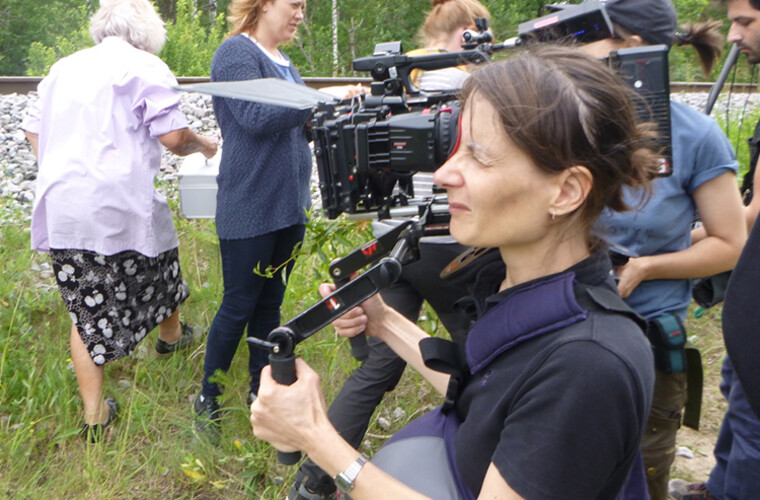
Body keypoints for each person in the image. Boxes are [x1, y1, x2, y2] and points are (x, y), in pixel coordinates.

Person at [250, 45, 659, 499]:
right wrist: (384, 322)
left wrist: (316, 438)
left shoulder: (589, 364)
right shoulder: (525, 287)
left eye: (479, 157)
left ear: (565, 192)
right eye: (454, 149)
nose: (444, 173)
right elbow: (485, 394)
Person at [288, 1, 488, 497]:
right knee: (482, 359)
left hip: (392, 243)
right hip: (449, 242)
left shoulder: (397, 84)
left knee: (378, 365)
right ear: (465, 33)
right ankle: (489, 456)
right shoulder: (469, 87)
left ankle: (313, 481)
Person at [573, 0, 748, 498]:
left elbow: (730, 244)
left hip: (648, 341)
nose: (577, 50)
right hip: (567, 335)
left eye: (591, 36)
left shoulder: (696, 138)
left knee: (643, 474)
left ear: (631, 47)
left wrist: (646, 267)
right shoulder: (569, 126)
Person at [21, 0, 218, 440]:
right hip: (119, 201)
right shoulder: (146, 66)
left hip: (67, 204)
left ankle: (104, 408)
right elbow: (173, 137)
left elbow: (33, 130)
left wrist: (57, 168)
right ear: (147, 34)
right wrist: (204, 144)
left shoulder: (62, 67)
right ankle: (160, 345)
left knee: (86, 304)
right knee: (158, 255)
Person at [193, 0, 360, 434]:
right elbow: (255, 116)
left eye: (304, 6)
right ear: (264, 4)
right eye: (295, 4)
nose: (301, 13)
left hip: (289, 207)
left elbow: (297, 124)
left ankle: (258, 389)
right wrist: (318, 99)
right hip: (249, 204)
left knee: (270, 303)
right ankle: (207, 398)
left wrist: (330, 112)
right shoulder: (235, 54)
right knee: (239, 303)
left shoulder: (284, 63)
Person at [669, 0, 760, 497]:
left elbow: (748, 219)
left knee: (753, 422)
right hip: (750, 298)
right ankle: (720, 485)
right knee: (738, 387)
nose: (731, 36)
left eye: (745, 22)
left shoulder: (696, 136)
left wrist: (675, 242)